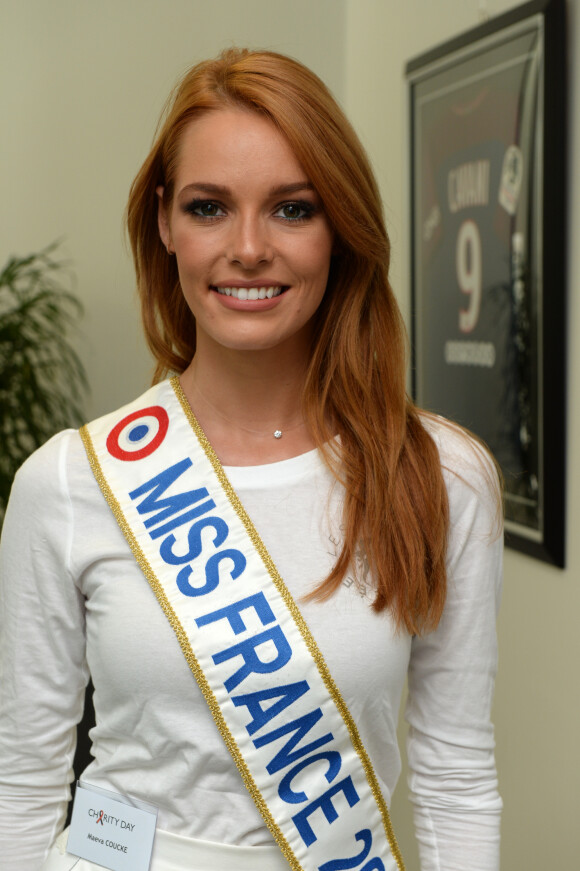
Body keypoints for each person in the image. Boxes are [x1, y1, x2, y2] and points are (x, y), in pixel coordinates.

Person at [0, 49, 503, 871]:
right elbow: (22, 777)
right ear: (164, 221)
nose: (248, 247)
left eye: (292, 209)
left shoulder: (442, 475)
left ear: (339, 225)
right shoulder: (67, 481)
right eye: (208, 206)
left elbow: (455, 773)